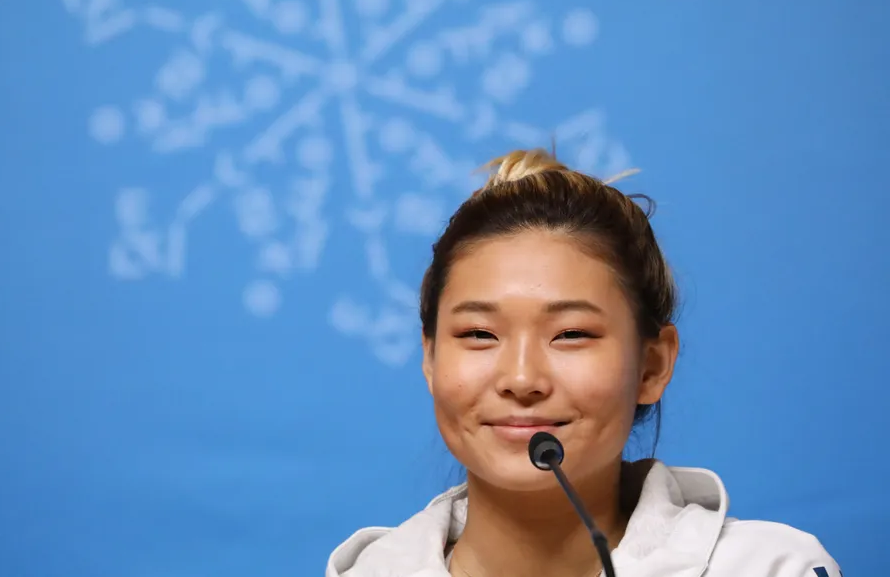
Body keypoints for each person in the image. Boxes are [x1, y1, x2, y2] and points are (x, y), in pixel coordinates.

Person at [325, 149, 841, 577]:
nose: (522, 379)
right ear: (431, 359)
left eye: (571, 334)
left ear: (652, 366)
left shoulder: (773, 568)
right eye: (479, 334)